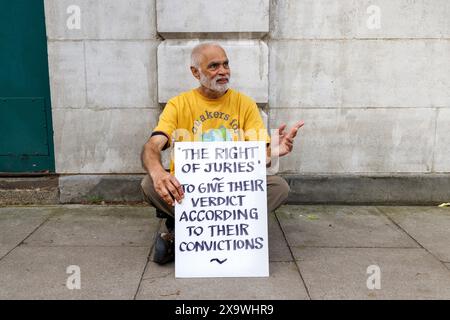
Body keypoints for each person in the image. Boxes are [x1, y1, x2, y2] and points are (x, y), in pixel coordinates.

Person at [141, 42, 304, 264]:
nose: (223, 71)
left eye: (226, 64)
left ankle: (182, 234)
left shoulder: (244, 104)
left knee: (279, 188)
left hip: (230, 193)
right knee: (149, 184)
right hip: (189, 189)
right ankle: (197, 232)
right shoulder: (178, 104)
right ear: (195, 72)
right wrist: (159, 172)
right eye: (214, 66)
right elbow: (152, 146)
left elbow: (257, 155)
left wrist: (271, 152)